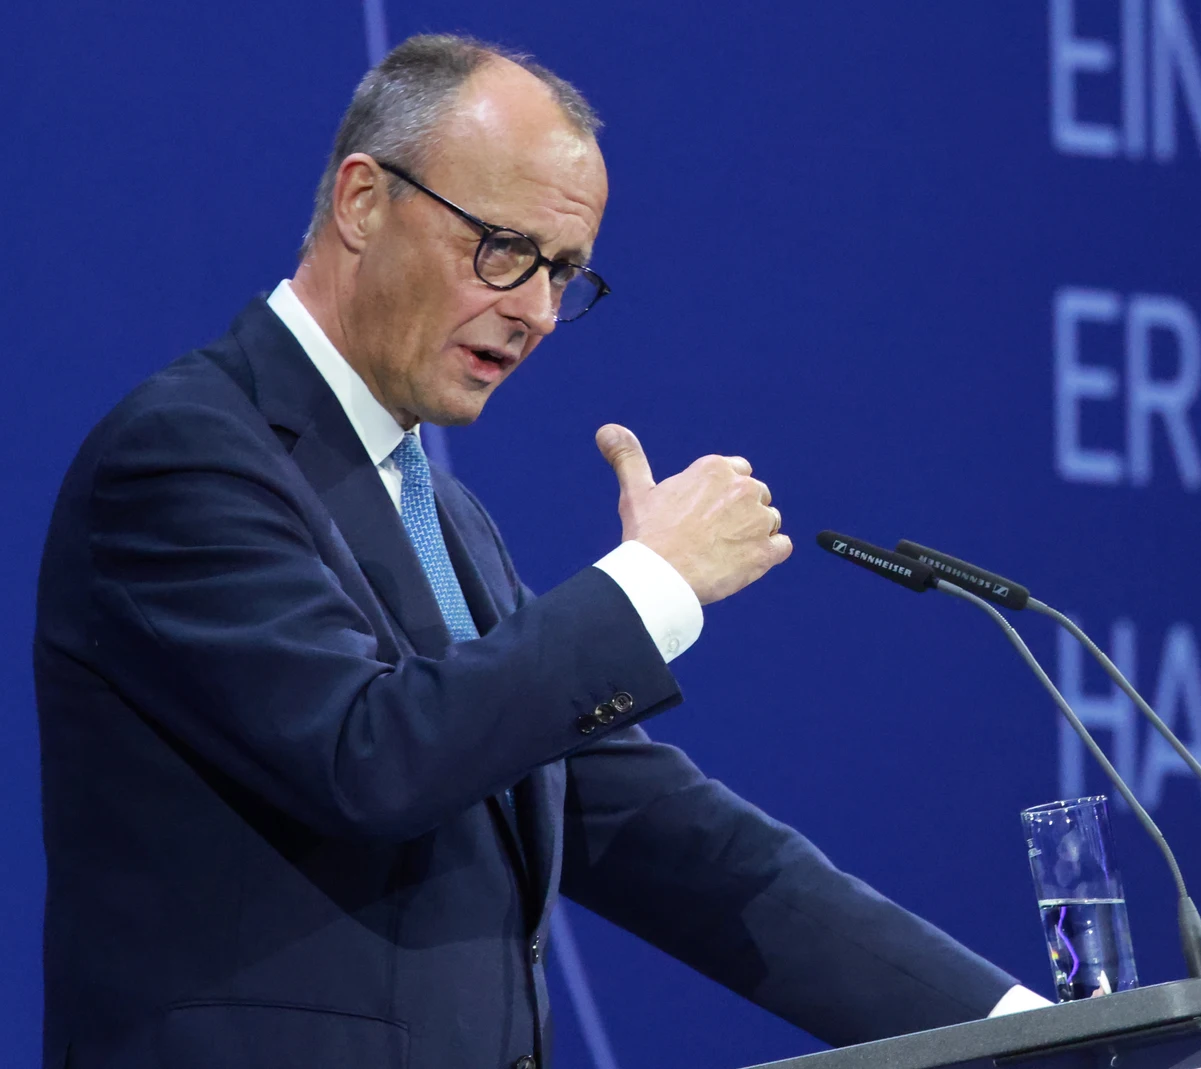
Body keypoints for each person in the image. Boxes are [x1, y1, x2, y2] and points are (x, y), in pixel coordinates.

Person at [34, 34, 1044, 1069]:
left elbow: (657, 833)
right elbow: (368, 756)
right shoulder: (184, 457)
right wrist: (651, 584)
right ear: (362, 201)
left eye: (564, 272)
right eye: (503, 248)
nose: (537, 311)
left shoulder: (445, 518)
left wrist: (1028, 1034)